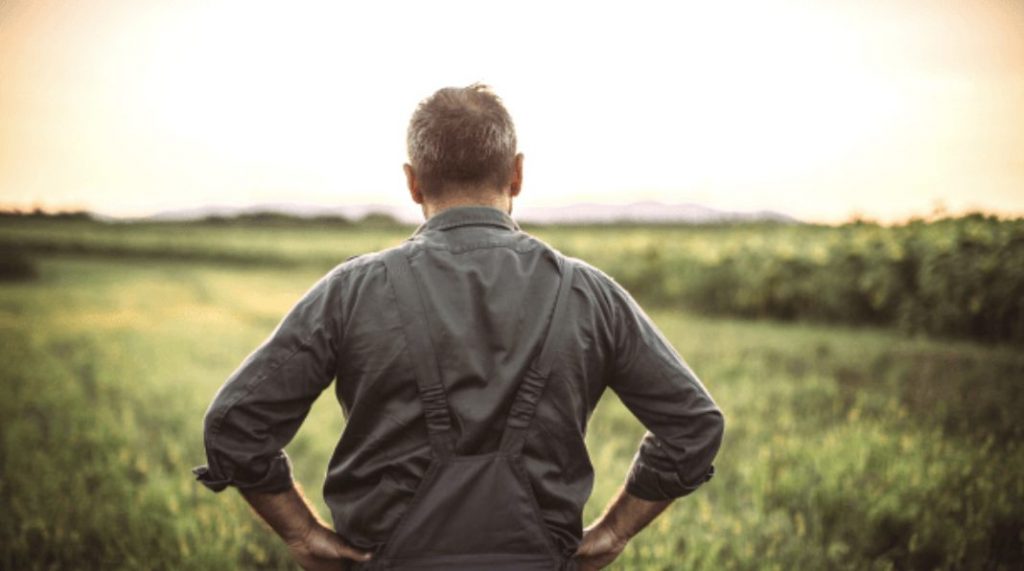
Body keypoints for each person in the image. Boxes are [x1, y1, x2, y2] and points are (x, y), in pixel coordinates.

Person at [193, 84, 724, 570]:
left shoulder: (352, 291)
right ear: (517, 174)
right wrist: (613, 532)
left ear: (412, 182)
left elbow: (236, 425)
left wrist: (303, 534)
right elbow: (693, 426)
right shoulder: (588, 294)